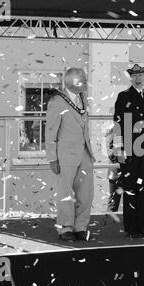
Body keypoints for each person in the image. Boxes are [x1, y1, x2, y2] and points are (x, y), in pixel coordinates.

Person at [45, 67, 95, 242]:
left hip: (84, 153)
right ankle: (65, 228)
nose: (86, 83)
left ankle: (81, 227)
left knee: (86, 194)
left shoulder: (83, 99)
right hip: (65, 154)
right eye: (83, 80)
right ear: (74, 82)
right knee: (65, 194)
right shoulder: (57, 102)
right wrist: (52, 157)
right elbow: (50, 132)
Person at [112, 64, 144, 238]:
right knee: (130, 189)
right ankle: (131, 228)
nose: (138, 78)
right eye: (134, 75)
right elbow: (117, 124)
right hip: (129, 148)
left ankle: (142, 226)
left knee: (142, 188)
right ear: (130, 78)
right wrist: (118, 148)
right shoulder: (124, 96)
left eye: (140, 75)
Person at [105, 121, 122, 212]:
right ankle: (109, 224)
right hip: (116, 169)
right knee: (113, 202)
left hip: (120, 168)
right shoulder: (114, 127)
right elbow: (111, 151)